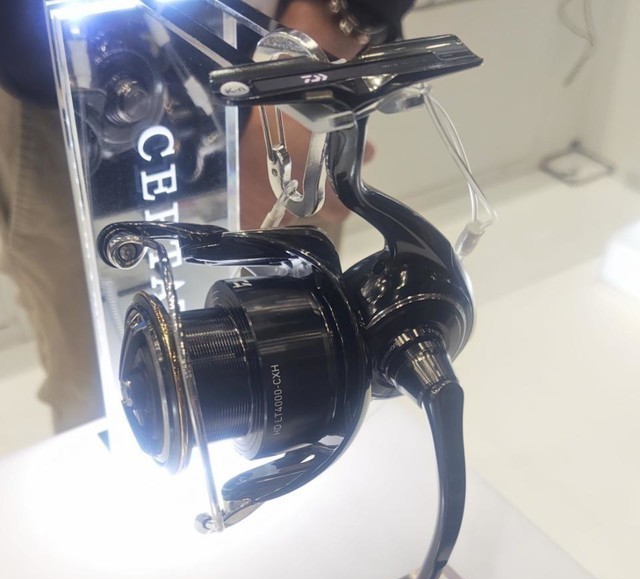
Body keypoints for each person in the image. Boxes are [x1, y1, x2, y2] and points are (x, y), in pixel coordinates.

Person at [0, 0, 414, 433]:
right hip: (66, 84)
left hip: (292, 57)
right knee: (109, 399)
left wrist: (324, 36)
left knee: (305, 372)